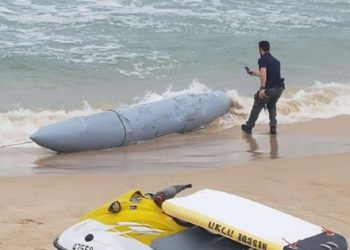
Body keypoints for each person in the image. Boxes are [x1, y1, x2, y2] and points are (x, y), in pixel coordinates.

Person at [242, 41, 284, 135]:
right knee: (271, 105)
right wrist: (255, 73)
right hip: (279, 89)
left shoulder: (262, 59)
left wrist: (262, 89)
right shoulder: (276, 61)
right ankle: (273, 127)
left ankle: (248, 127)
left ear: (261, 49)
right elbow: (268, 75)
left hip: (270, 89)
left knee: (257, 103)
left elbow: (264, 74)